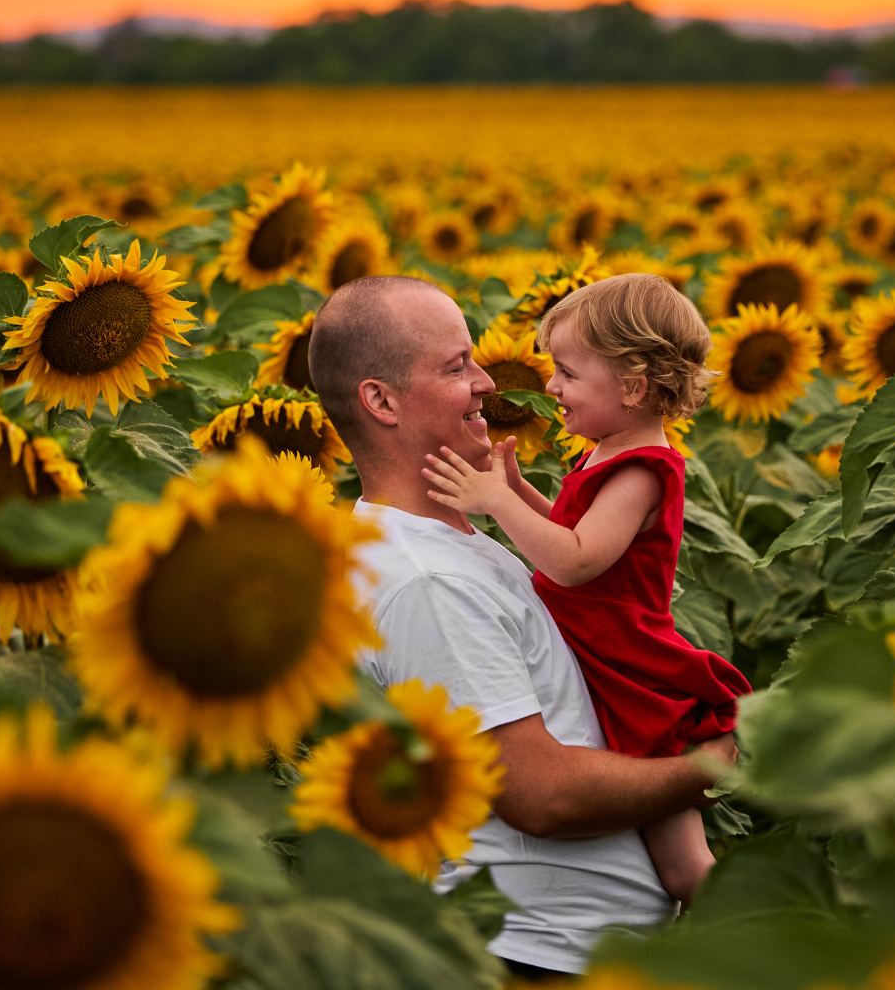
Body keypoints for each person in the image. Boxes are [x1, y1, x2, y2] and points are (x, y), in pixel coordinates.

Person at [308, 275, 735, 980]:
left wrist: (504, 497)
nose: (486, 382)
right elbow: (540, 793)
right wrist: (709, 769)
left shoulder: (458, 547)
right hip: (534, 958)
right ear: (380, 401)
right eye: (455, 368)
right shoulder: (428, 580)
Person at [420, 274, 749, 907]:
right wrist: (515, 490)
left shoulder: (642, 469)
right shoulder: (608, 452)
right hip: (599, 650)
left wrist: (495, 504)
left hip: (627, 664)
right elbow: (572, 530)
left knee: (684, 867)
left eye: (567, 373)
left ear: (632, 386)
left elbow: (574, 562)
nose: (550, 387)